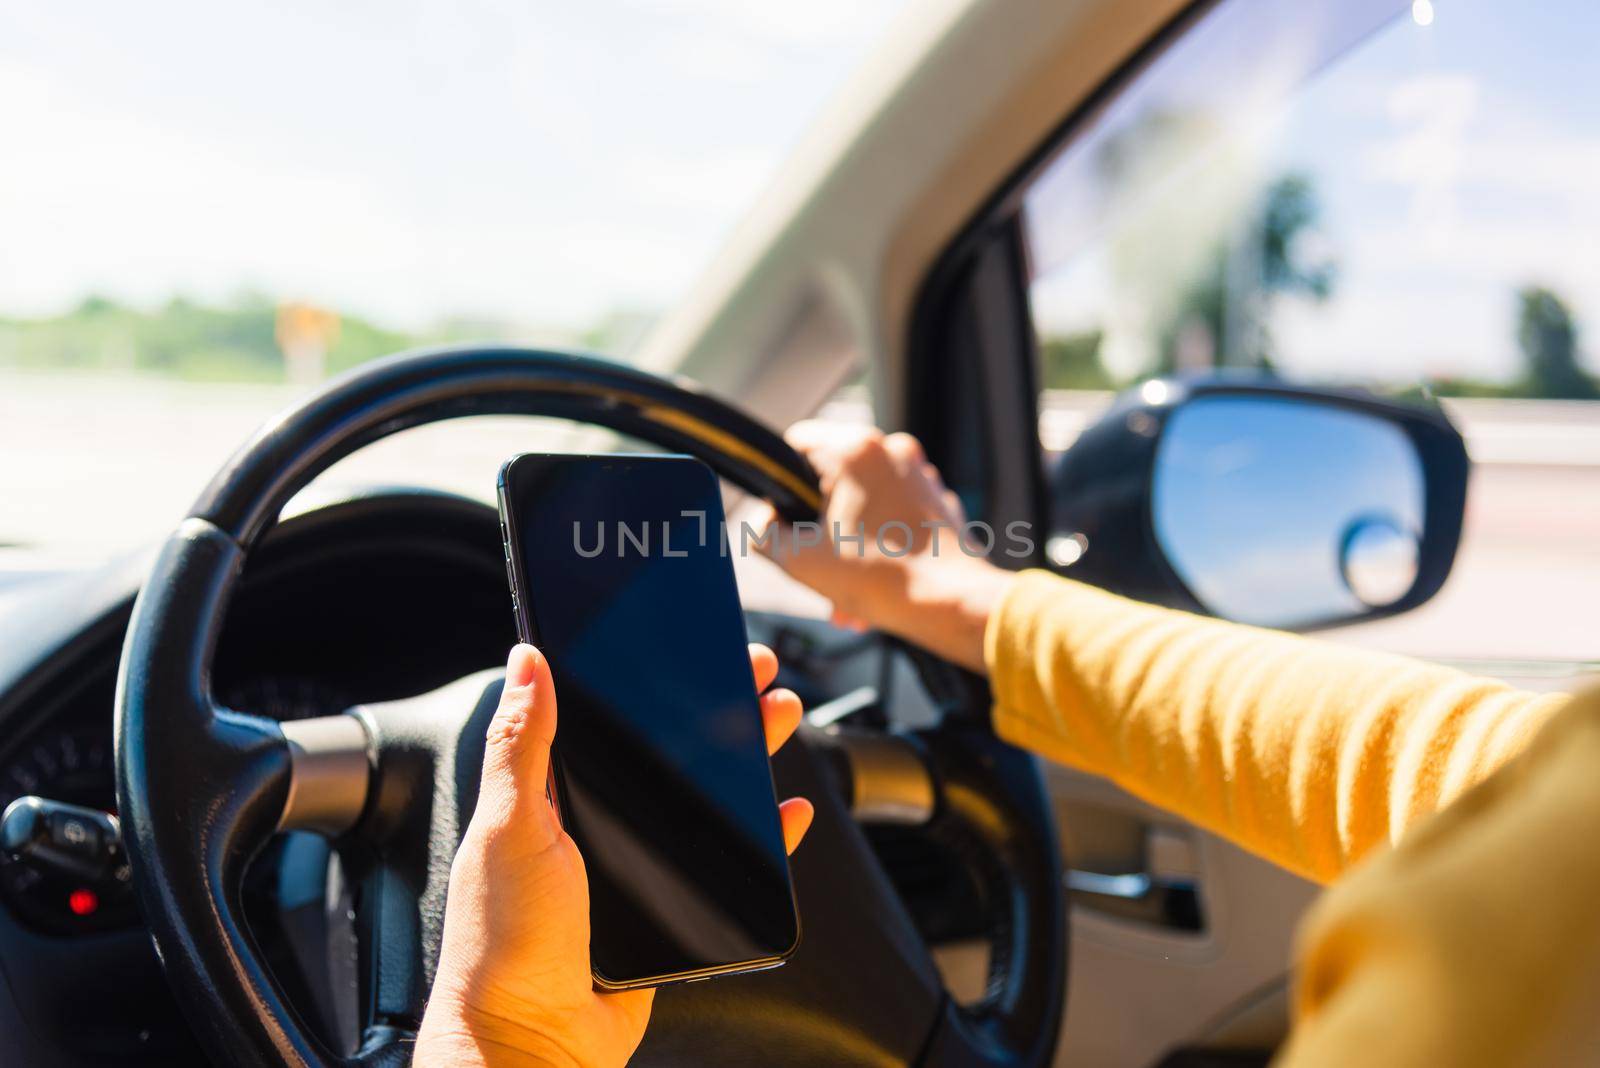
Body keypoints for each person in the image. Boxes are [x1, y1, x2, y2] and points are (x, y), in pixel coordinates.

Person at [417, 423, 1600, 1066]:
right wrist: (947, 593)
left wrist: (503, 1039)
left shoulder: (1543, 941)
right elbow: (1456, 769)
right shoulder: (1557, 849)